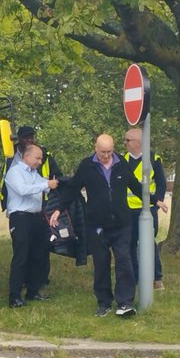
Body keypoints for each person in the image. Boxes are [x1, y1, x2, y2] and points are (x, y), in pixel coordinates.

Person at [51, 134, 142, 317]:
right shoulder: (87, 166)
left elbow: (135, 185)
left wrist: (154, 201)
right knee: (101, 263)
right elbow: (72, 188)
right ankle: (104, 302)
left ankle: (125, 303)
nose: (106, 156)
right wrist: (58, 209)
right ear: (95, 148)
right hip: (96, 225)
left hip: (121, 223)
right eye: (102, 152)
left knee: (124, 261)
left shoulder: (121, 164)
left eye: (109, 152)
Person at [0, 126, 63, 293]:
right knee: (21, 256)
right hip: (20, 219)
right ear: (27, 157)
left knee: (38, 254)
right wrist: (45, 184)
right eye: (37, 158)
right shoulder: (14, 172)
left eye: (41, 159)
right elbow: (23, 190)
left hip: (36, 217)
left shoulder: (33, 173)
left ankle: (33, 291)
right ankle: (14, 295)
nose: (40, 162)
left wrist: (60, 185)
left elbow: (46, 186)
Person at [122, 128, 168, 291]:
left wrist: (159, 201)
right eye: (125, 140)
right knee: (129, 243)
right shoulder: (123, 160)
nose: (125, 144)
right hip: (128, 209)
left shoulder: (154, 159)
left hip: (148, 208)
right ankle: (134, 277)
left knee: (148, 243)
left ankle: (156, 278)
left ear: (139, 143)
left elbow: (161, 182)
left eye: (128, 140)